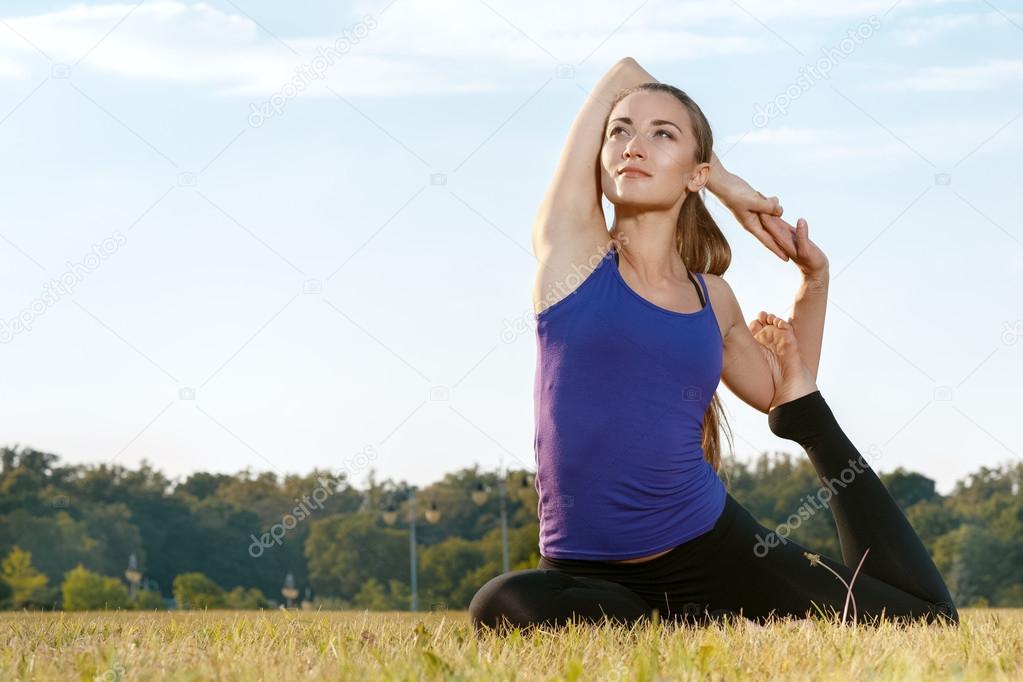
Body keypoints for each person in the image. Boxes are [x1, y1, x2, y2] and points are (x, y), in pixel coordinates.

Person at [468, 57, 958, 632]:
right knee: (500, 603)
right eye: (620, 132)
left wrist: (814, 284)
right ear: (600, 162)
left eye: (661, 135)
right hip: (582, 570)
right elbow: (623, 71)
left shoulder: (713, 300)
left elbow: (783, 391)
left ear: (690, 172)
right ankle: (699, 622)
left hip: (714, 546)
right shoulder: (572, 254)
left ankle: (691, 616)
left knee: (924, 620)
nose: (632, 145)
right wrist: (726, 185)